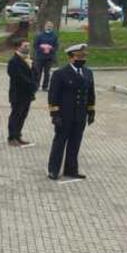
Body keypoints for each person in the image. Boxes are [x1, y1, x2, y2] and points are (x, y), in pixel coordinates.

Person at [47, 43, 95, 180]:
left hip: (80, 115)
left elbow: (90, 93)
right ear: (70, 57)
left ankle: (71, 169)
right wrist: (55, 114)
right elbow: (53, 96)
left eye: (83, 56)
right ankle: (53, 169)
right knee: (59, 143)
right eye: (78, 57)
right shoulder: (60, 74)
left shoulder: (88, 72)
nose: (82, 59)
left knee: (75, 143)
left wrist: (91, 111)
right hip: (64, 115)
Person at [6, 39, 37, 146]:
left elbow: (35, 73)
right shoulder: (14, 61)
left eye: (28, 46)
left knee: (23, 115)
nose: (27, 48)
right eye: (25, 46)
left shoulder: (30, 59)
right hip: (18, 93)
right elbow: (17, 76)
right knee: (16, 115)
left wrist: (34, 84)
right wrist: (30, 84)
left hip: (28, 93)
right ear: (18, 47)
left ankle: (18, 135)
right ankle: (12, 137)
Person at [33, 21, 59, 91]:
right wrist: (42, 48)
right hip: (40, 57)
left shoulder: (54, 36)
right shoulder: (39, 35)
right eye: (47, 26)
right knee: (38, 72)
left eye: (50, 26)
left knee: (47, 73)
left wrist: (50, 48)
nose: (49, 27)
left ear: (52, 27)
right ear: (45, 27)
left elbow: (56, 46)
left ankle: (45, 86)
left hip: (49, 57)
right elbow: (35, 45)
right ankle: (36, 86)